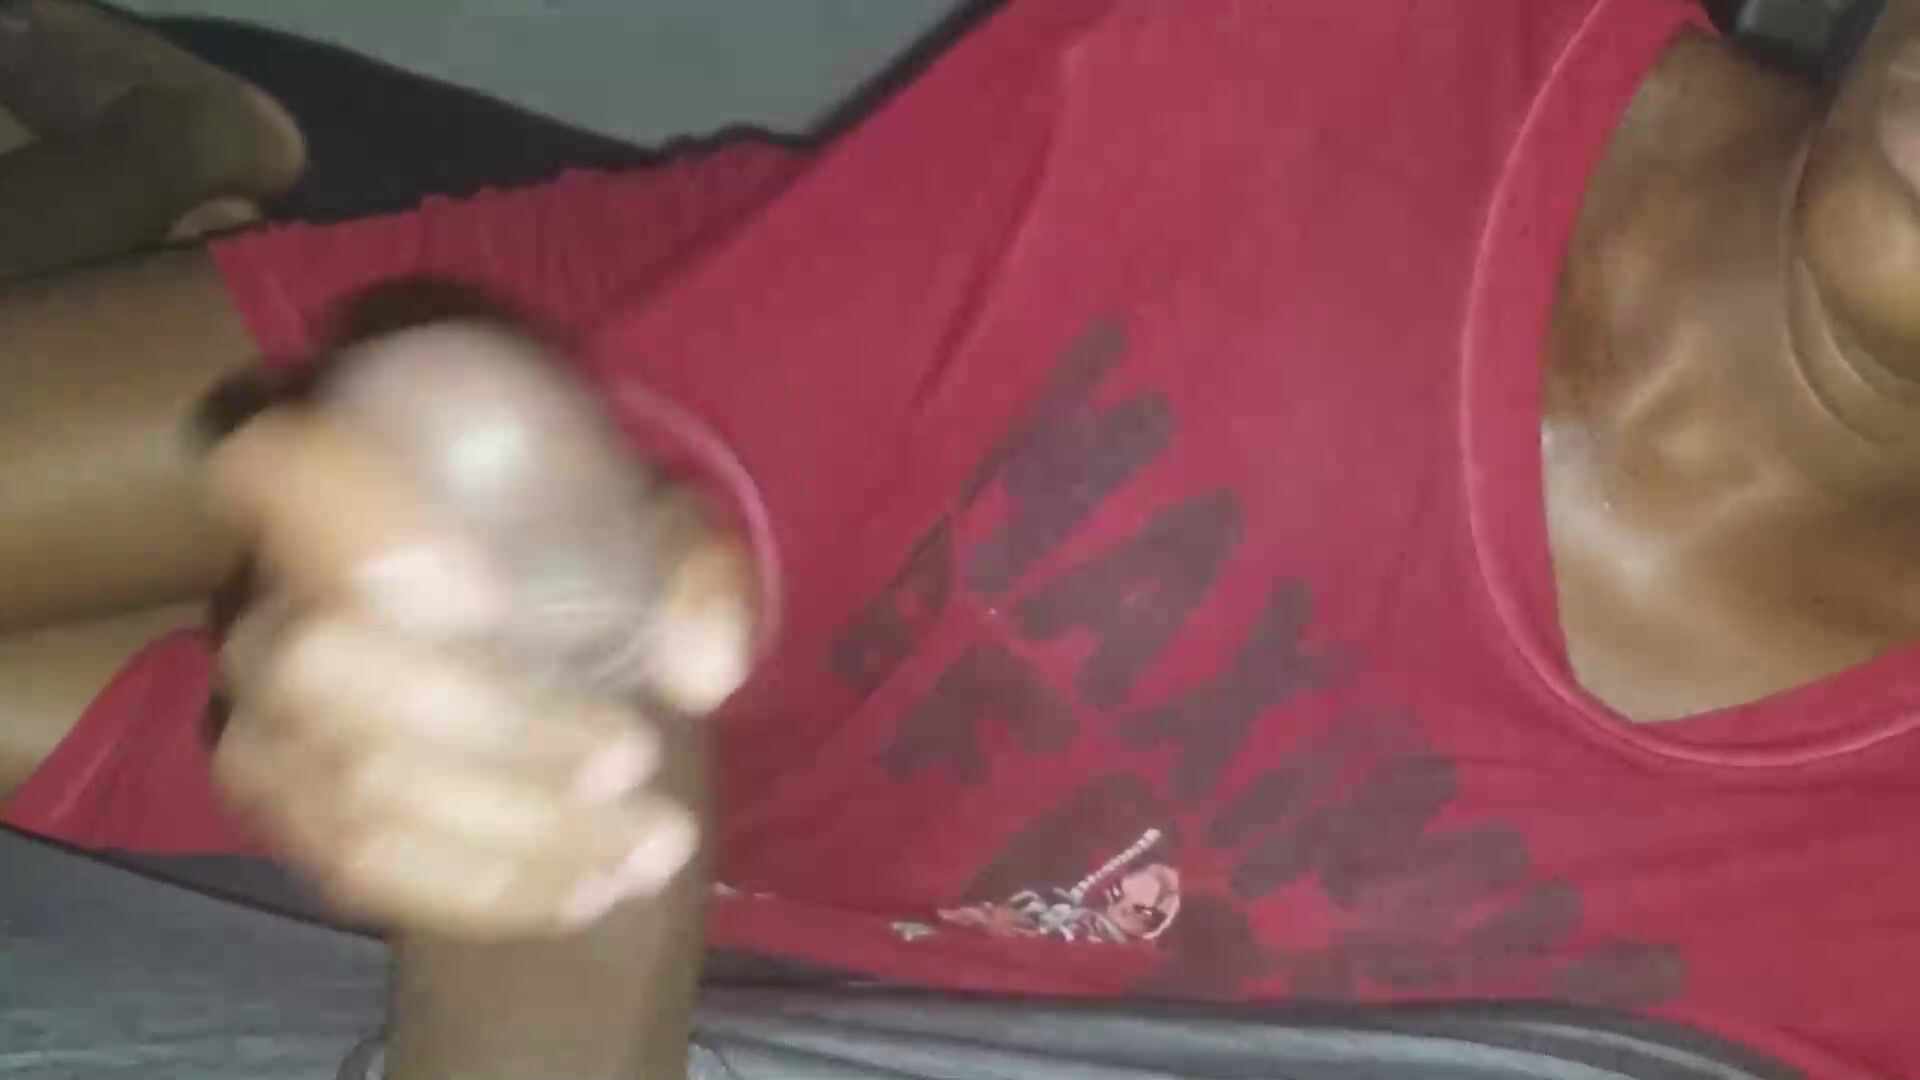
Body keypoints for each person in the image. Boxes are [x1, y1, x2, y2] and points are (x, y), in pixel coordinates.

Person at [6, 0, 1920, 1074]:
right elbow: (635, 546)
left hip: (739, 889)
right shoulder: (1383, 40)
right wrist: (542, 595)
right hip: (665, 342)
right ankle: (171, 140)